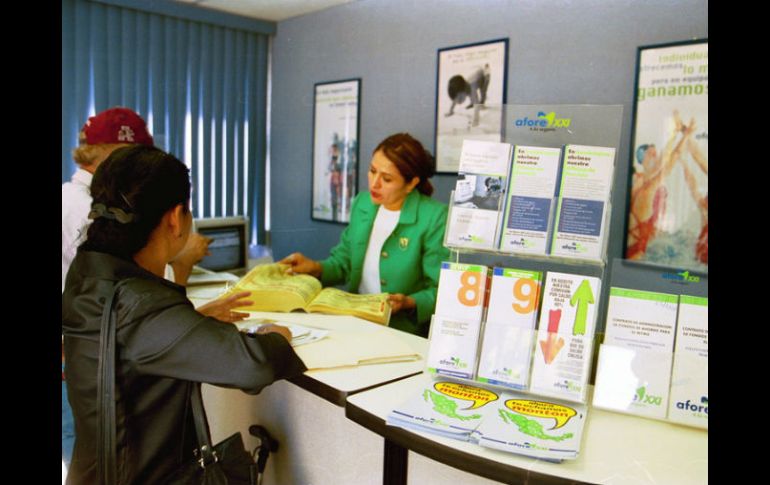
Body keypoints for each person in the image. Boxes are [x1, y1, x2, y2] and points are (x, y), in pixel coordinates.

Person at [62, 145, 307, 484]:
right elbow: (254, 365)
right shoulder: (140, 302)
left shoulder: (87, 272)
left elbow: (133, 341)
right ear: (176, 218)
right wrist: (276, 335)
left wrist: (192, 322)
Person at [280, 133, 450, 337]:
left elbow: (441, 289)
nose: (374, 184)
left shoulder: (434, 216)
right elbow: (343, 263)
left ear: (411, 183)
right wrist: (315, 268)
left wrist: (409, 302)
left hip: (403, 332)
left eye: (386, 179)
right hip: (356, 323)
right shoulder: (363, 203)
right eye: (372, 171)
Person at [62, 106, 210, 292]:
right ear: (118, 155)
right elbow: (139, 294)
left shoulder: (72, 198)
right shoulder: (94, 213)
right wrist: (186, 259)